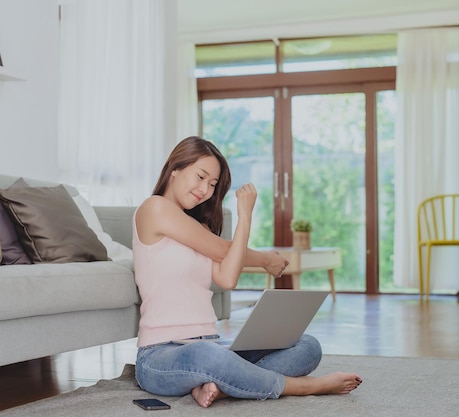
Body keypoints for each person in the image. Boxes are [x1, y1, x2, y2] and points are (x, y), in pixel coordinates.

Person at [132, 136, 362, 408]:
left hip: (211, 344)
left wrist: (245, 218)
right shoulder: (154, 208)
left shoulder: (200, 228)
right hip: (160, 355)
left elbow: (228, 278)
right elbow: (220, 250)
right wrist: (265, 259)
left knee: (307, 345)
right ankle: (303, 387)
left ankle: (223, 387)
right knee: (211, 357)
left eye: (213, 185)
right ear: (175, 168)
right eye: (201, 177)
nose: (205, 189)